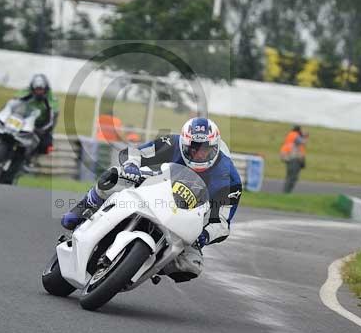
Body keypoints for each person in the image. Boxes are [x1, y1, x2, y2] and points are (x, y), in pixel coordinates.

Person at [61, 117, 243, 283]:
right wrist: (132, 165)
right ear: (184, 144)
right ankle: (85, 207)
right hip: (154, 189)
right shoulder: (172, 142)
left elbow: (222, 222)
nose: (198, 155)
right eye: (193, 148)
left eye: (205, 150)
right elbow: (136, 152)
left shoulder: (229, 179)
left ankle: (152, 261)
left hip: (185, 217)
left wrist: (204, 235)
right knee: (114, 177)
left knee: (191, 265)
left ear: (216, 147)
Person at [8, 74, 59, 165]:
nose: (39, 92)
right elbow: (12, 103)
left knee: (46, 144)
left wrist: (42, 130)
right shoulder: (25, 91)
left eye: (41, 89)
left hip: (40, 125)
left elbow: (53, 119)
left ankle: (29, 159)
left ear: (46, 89)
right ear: (32, 88)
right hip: (22, 120)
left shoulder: (52, 99)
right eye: (36, 89)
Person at [280, 125, 308, 193]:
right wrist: (305, 136)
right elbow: (302, 142)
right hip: (294, 159)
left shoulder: (290, 135)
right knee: (292, 178)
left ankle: (285, 192)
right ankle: (286, 192)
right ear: (298, 130)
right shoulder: (295, 135)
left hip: (288, 157)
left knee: (289, 177)